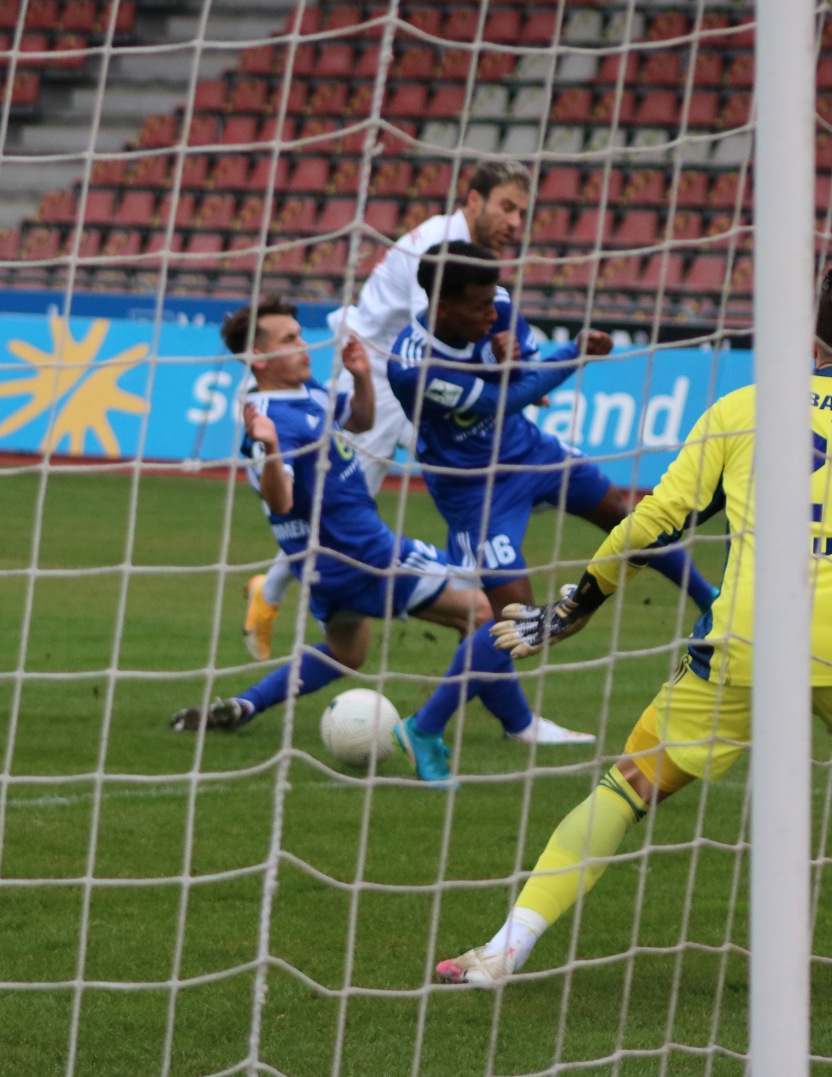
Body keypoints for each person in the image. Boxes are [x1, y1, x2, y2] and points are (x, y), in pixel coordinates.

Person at [436, 260, 832, 1013]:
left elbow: (652, 523)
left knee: (628, 784)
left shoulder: (747, 407)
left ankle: (506, 949)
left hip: (750, 638)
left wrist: (578, 603)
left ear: (809, 339)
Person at [172, 298, 594, 780]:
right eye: (289, 340)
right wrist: (268, 447)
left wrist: (358, 378)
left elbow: (361, 422)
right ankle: (516, 725)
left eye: (299, 334)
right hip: (364, 553)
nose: (304, 345)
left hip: (325, 566)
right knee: (485, 612)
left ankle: (245, 705)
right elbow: (282, 497)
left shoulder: (305, 393)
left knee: (347, 653)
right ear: (260, 358)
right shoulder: (269, 419)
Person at [240, 161, 533, 661]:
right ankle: (266, 595)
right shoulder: (439, 246)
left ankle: (476, 594)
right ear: (474, 201)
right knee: (338, 506)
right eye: (507, 207)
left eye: (523, 213)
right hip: (377, 373)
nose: (516, 224)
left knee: (479, 473)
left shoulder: (468, 252)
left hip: (408, 378)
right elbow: (443, 332)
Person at [387, 241, 717, 632]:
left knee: (625, 517)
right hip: (474, 489)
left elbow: (525, 374)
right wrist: (573, 353)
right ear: (442, 308)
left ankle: (710, 600)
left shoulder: (499, 305)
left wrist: (503, 363)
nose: (493, 314)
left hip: (530, 450)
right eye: (480, 307)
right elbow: (503, 400)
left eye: (493, 301)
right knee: (517, 625)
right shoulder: (411, 364)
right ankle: (455, 691)